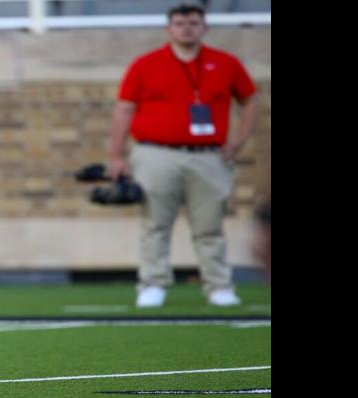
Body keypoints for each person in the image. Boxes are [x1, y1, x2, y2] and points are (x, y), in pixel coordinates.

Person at [107, 3, 260, 309]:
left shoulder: (225, 63)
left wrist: (238, 140)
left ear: (204, 27)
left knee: (210, 225)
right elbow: (124, 109)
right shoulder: (146, 64)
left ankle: (218, 286)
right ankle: (152, 284)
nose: (186, 28)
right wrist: (116, 154)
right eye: (180, 23)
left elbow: (250, 100)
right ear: (169, 28)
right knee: (155, 223)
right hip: (156, 153)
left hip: (208, 155)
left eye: (193, 22)